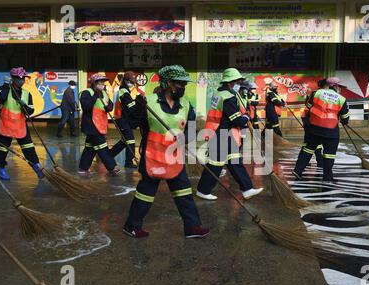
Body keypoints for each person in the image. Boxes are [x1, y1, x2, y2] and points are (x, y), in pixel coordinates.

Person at [123, 65, 209, 239]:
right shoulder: (149, 101)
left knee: (184, 191)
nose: (183, 88)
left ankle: (192, 227)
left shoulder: (185, 104)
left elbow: (191, 129)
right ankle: (131, 226)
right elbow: (133, 124)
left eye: (185, 84)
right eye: (179, 84)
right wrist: (138, 107)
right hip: (152, 156)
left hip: (174, 155)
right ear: (168, 82)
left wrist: (185, 139)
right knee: (145, 193)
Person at [196, 68, 263, 201]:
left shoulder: (218, 93)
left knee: (234, 161)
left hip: (219, 131)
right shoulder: (228, 97)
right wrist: (246, 118)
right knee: (215, 164)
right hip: (222, 133)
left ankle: (247, 189)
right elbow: (236, 119)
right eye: (237, 81)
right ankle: (203, 190)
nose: (239, 84)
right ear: (230, 82)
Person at [292, 77, 349, 182]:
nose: (340, 89)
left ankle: (298, 170)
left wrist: (307, 123)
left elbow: (308, 107)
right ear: (334, 86)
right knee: (329, 153)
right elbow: (345, 118)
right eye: (339, 86)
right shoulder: (341, 99)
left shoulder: (316, 93)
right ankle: (327, 177)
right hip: (330, 130)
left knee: (308, 149)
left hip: (314, 127)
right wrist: (343, 121)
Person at [0, 67, 44, 180]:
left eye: (23, 78)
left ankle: (37, 167)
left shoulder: (27, 94)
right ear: (13, 79)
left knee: (29, 148)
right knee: (3, 149)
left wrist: (25, 106)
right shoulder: (5, 88)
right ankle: (1, 170)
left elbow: (30, 111)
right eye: (19, 78)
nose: (22, 81)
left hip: (20, 125)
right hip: (5, 124)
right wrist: (7, 85)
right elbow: (1, 98)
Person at [78, 73, 121, 176]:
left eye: (103, 82)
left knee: (90, 147)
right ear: (94, 83)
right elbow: (86, 107)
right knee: (102, 146)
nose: (102, 84)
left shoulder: (104, 93)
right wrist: (95, 96)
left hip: (101, 124)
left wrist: (109, 107)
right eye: (100, 82)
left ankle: (83, 168)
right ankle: (112, 167)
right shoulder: (86, 93)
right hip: (91, 125)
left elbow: (110, 104)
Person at [109, 71, 139, 169]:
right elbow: (130, 105)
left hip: (122, 118)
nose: (133, 83)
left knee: (124, 141)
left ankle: (108, 156)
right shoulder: (123, 91)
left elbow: (129, 104)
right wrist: (139, 105)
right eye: (131, 81)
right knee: (130, 140)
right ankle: (128, 162)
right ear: (126, 81)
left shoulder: (124, 90)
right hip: (121, 119)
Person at [301, 78, 326, 168]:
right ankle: (319, 161)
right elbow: (310, 106)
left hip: (309, 118)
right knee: (314, 141)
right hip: (310, 119)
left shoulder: (315, 93)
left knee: (309, 140)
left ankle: (308, 161)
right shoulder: (317, 94)